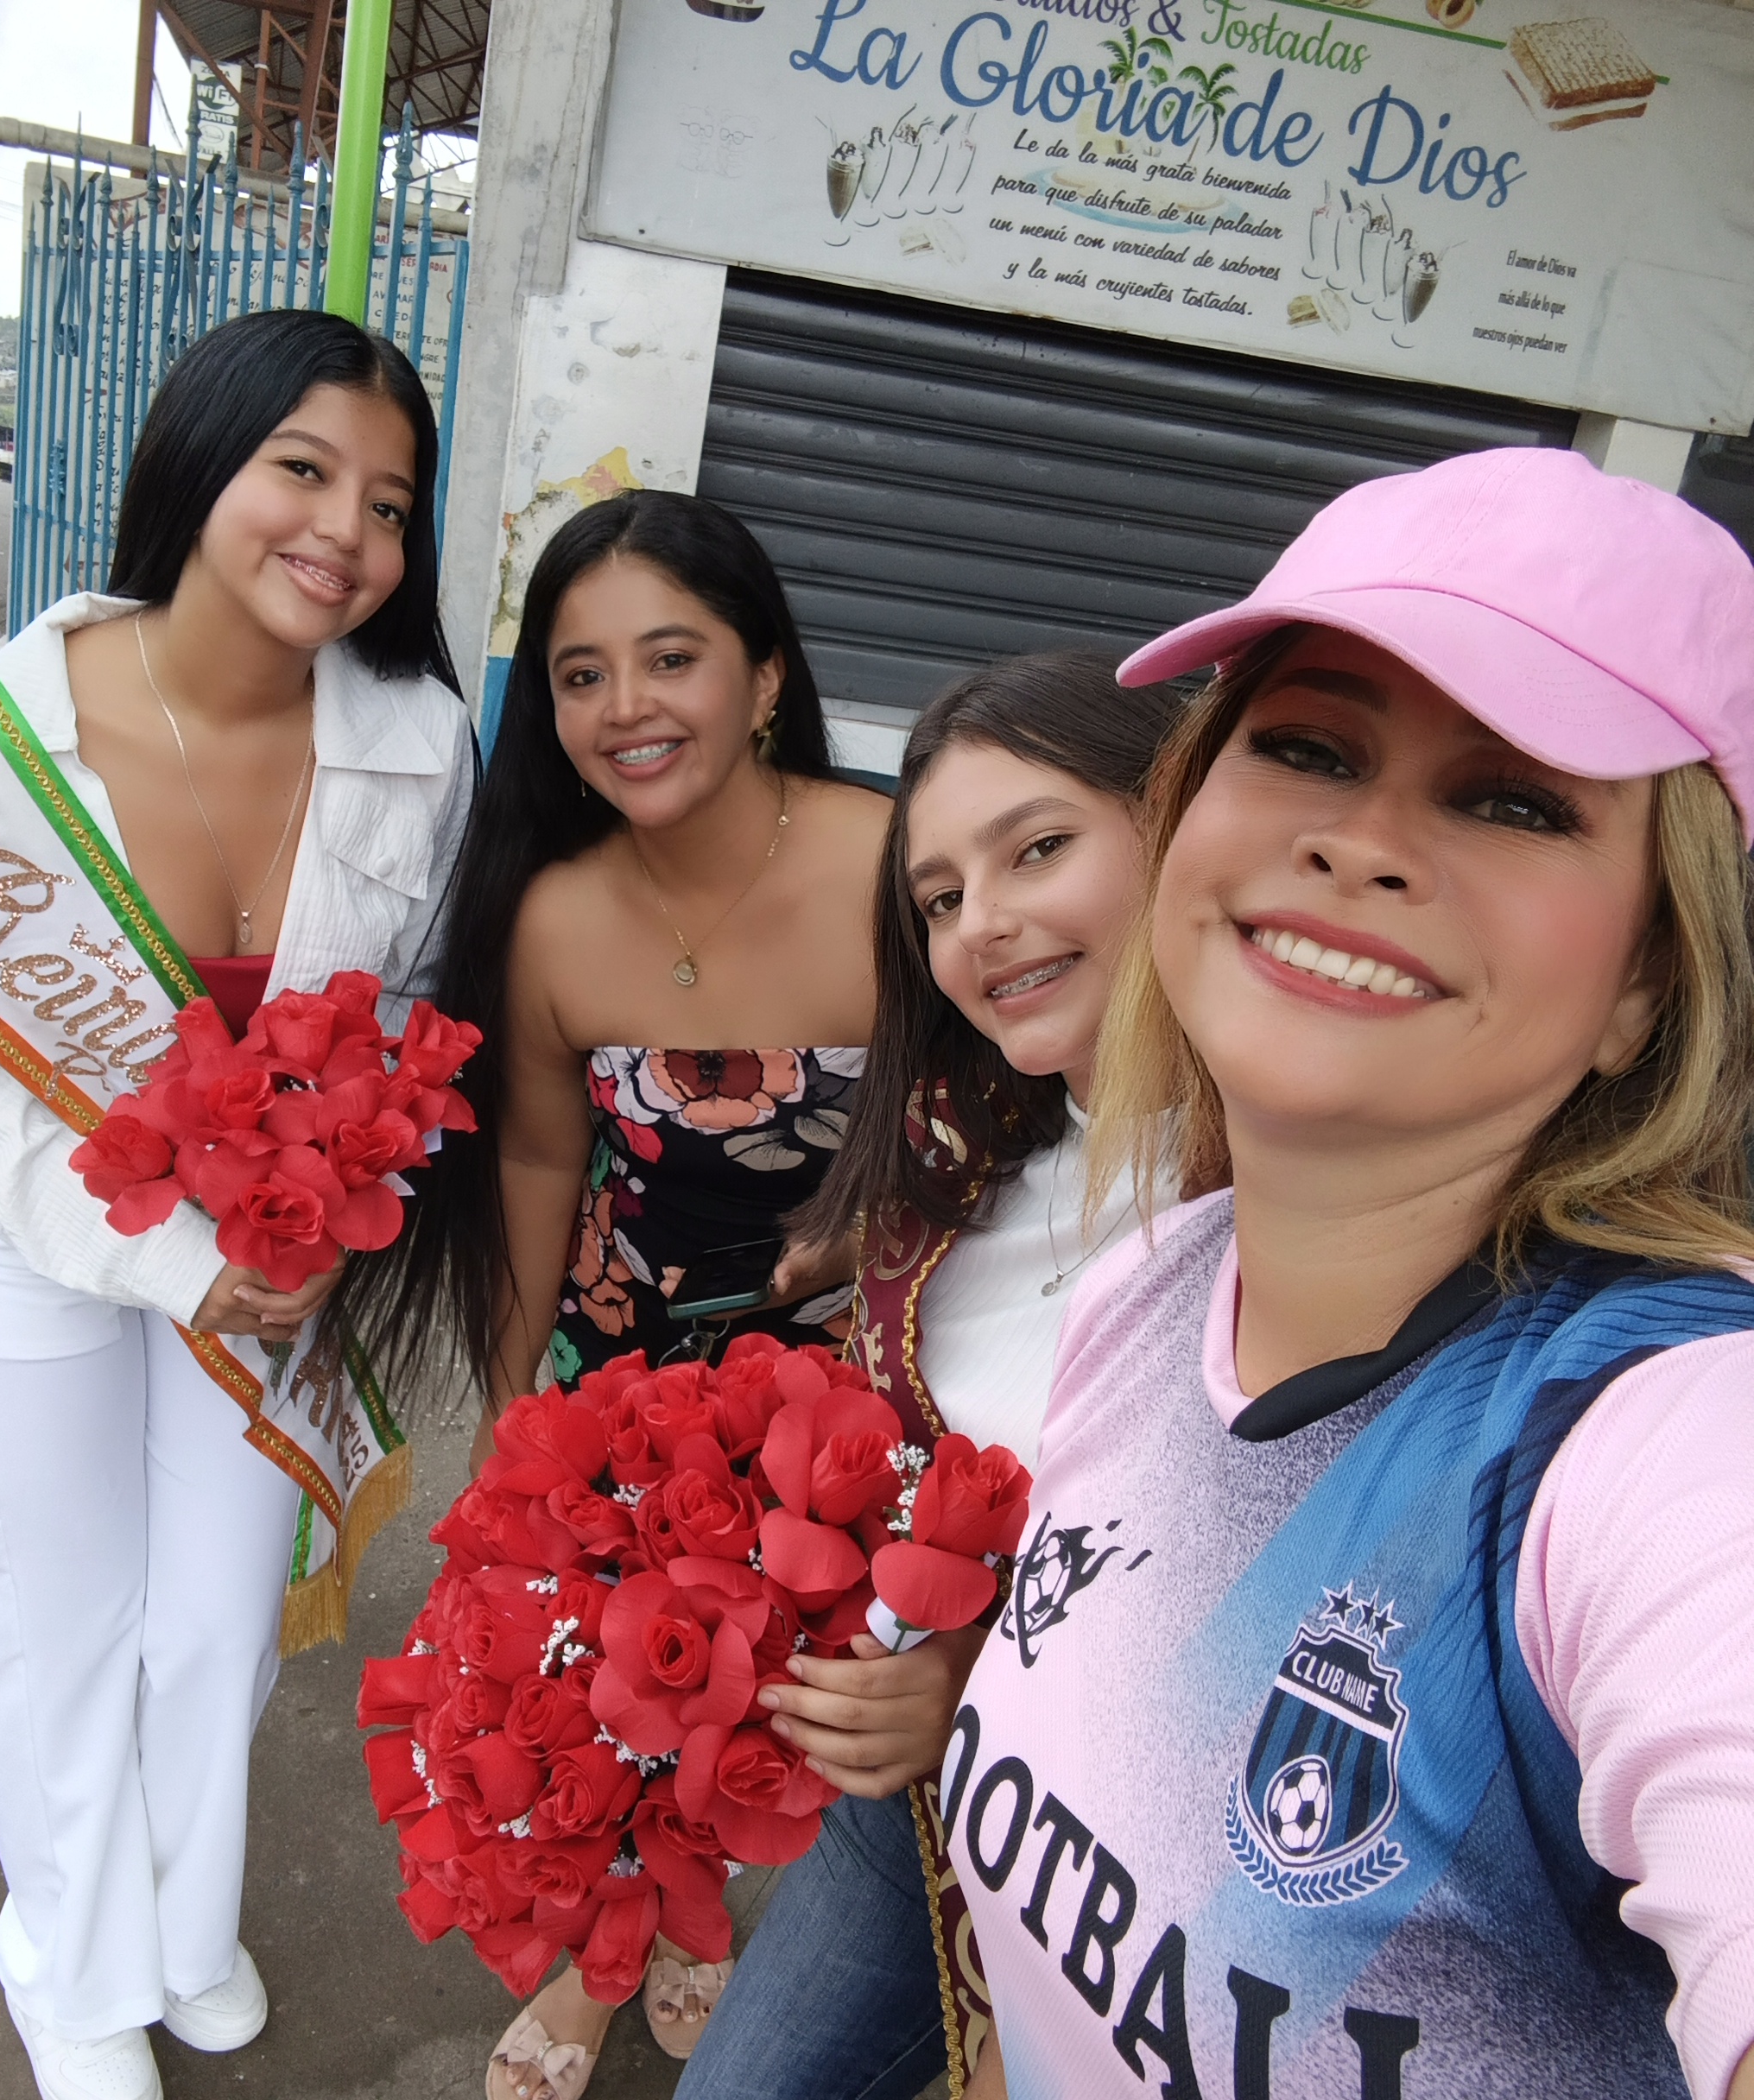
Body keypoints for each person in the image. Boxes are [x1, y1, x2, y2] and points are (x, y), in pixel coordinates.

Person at [950, 448, 1754, 2100]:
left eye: (1515, 799)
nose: (1363, 842)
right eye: (1309, 747)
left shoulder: (1659, 1449)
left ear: (1648, 984)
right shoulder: (1148, 1288)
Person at [0, 312, 474, 2100]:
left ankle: (182, 1927)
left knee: (216, 1609)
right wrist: (167, 1255)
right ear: (199, 461)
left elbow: (419, 1005)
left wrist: (346, 1189)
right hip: (44, 1234)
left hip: (269, 1270)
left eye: (391, 502)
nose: (346, 529)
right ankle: (69, 1958)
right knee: (63, 1607)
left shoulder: (420, 738)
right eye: (304, 470)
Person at [375, 488, 890, 2098]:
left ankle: (695, 1913)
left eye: (672, 658)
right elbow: (540, 1165)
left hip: (843, 1406)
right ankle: (598, 1959)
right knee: (600, 1696)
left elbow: (1013, 1123)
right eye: (581, 674)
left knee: (764, 1714)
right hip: (620, 1382)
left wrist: (890, 1231)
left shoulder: (899, 868)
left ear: (766, 676)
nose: (625, 708)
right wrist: (509, 1408)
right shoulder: (553, 911)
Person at [673, 653, 1187, 2100]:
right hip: (898, 1813)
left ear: (1185, 825)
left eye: (1039, 849)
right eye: (942, 899)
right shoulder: (970, 1150)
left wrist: (973, 1682)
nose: (985, 926)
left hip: (1122, 1863)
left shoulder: (1297, 1207)